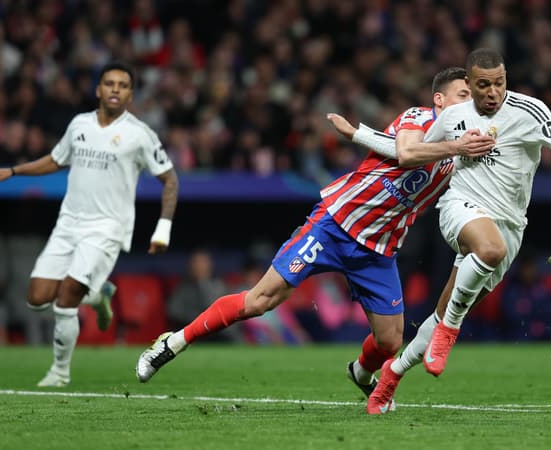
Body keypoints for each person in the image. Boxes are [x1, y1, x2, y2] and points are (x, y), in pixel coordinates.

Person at [134, 68, 493, 406]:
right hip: (333, 225)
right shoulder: (419, 118)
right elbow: (408, 151)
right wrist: (456, 148)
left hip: (378, 250)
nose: (470, 102)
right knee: (260, 301)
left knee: (389, 342)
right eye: (463, 94)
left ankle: (361, 372)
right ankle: (173, 342)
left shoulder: (463, 151)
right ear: (440, 100)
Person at [367, 47, 551, 414]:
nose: (493, 92)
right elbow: (411, 150)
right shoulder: (454, 116)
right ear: (469, 83)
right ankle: (450, 332)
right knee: (488, 253)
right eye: (484, 85)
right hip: (460, 207)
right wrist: (358, 134)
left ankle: (393, 373)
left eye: (499, 83)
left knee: (444, 311)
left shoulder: (529, 111)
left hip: (510, 226)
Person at [0, 61, 179, 387]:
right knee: (36, 299)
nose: (116, 89)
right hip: (69, 223)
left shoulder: (140, 135)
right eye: (110, 83)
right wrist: (13, 171)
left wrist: (163, 229)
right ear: (99, 89)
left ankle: (59, 372)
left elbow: (170, 180)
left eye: (123, 85)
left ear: (130, 95)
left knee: (67, 297)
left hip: (108, 227)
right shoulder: (78, 125)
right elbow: (56, 160)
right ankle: (97, 295)